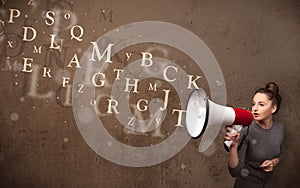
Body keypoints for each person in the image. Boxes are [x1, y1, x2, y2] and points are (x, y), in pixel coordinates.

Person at [224, 82, 284, 188]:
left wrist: (273, 162)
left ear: (273, 108)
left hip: (268, 183)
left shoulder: (279, 127)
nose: (254, 108)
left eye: (261, 105)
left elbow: (280, 153)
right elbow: (235, 171)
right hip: (247, 184)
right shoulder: (246, 129)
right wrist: (233, 147)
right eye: (253, 103)